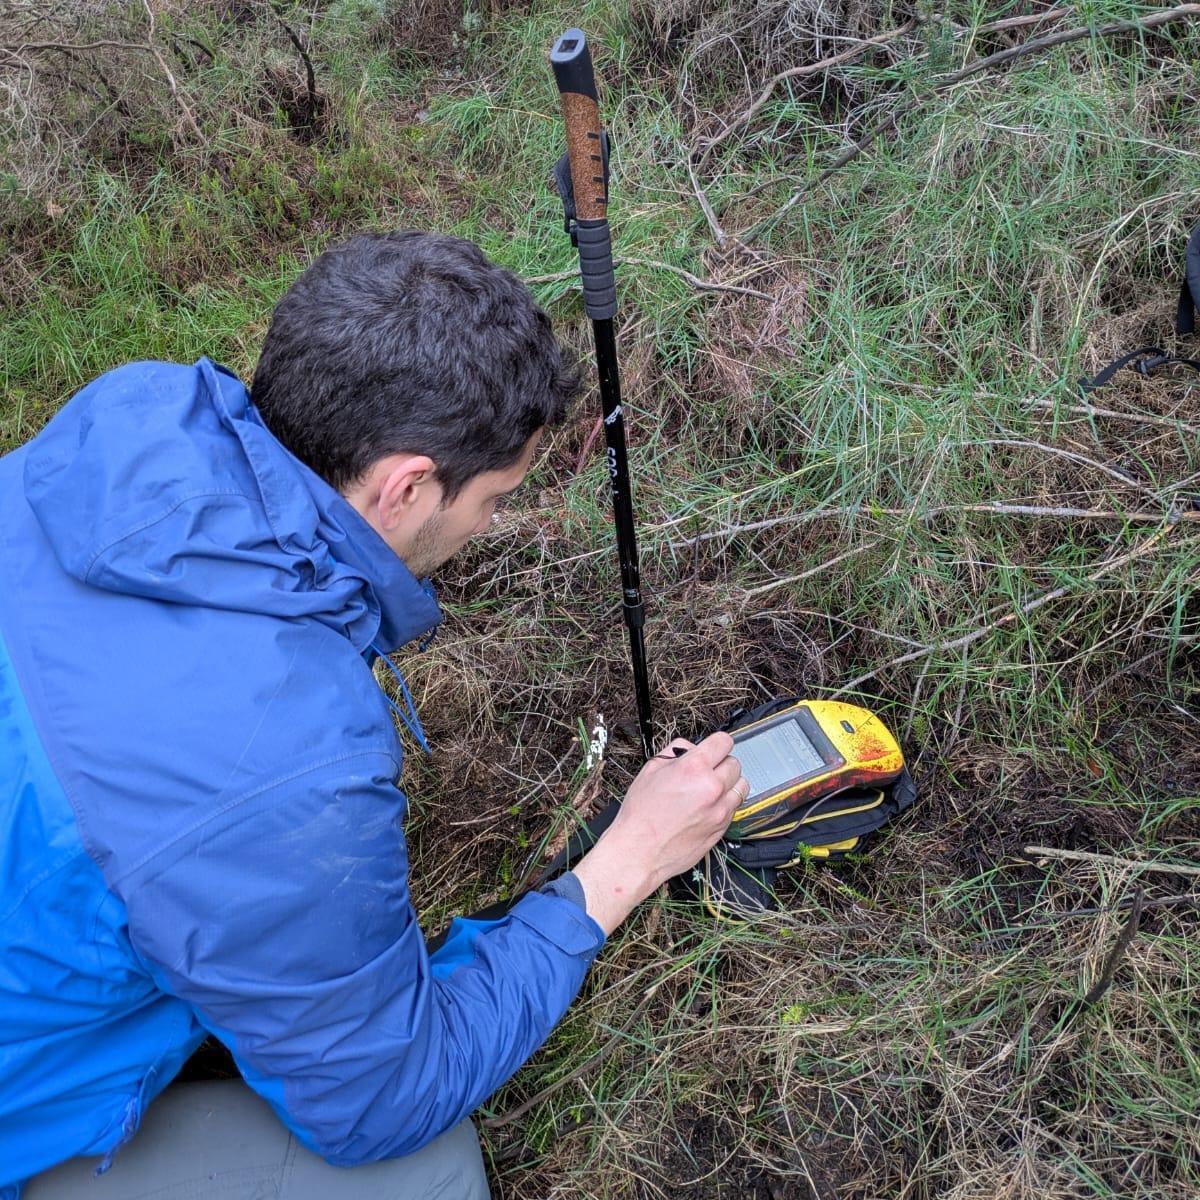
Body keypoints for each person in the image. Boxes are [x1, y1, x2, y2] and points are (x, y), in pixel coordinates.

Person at [0, 230, 748, 1198]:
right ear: (405, 486)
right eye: (495, 497)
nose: (490, 526)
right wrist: (624, 865)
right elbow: (383, 1100)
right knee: (423, 1169)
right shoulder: (279, 767)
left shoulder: (121, 431)